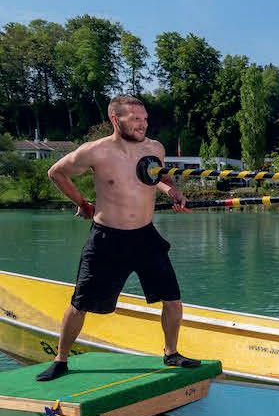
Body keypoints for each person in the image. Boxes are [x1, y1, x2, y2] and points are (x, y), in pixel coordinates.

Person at [36, 95, 200, 382]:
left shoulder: (155, 148)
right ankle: (61, 359)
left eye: (145, 119)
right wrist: (82, 203)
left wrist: (172, 191)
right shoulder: (96, 151)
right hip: (107, 239)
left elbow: (157, 177)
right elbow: (56, 172)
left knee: (172, 300)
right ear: (116, 119)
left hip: (146, 236)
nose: (143, 124)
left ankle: (171, 352)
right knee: (80, 304)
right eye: (135, 119)